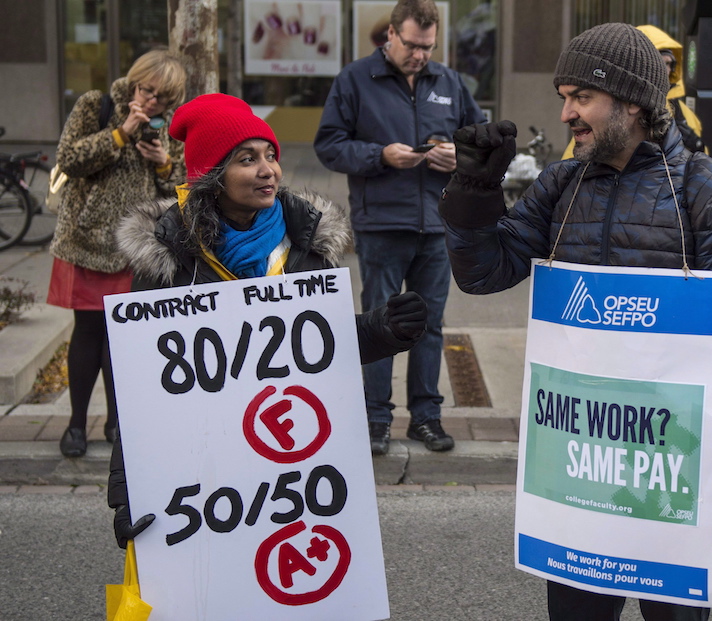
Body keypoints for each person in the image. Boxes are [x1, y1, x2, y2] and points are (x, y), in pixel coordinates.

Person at [438, 23, 712, 621]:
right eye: (562, 96)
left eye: (580, 97)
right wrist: (474, 188)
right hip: (579, 474)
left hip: (670, 472)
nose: (565, 112)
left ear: (634, 103)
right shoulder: (562, 185)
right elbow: (483, 273)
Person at [107, 93, 428, 548]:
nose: (268, 170)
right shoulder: (167, 259)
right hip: (205, 472)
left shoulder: (305, 245)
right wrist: (126, 495)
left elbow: (318, 349)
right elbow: (141, 390)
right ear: (212, 177)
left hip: (286, 466)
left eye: (270, 155)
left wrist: (384, 329)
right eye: (247, 159)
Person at [314, 0, 486, 455]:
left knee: (430, 325)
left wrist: (459, 156)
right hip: (382, 224)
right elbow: (329, 146)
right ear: (391, 34)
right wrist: (380, 156)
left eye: (428, 47)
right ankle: (375, 419)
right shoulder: (355, 79)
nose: (420, 56)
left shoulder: (448, 82)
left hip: (437, 224)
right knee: (380, 324)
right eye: (412, 45)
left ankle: (426, 418)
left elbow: (479, 140)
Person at [48, 49, 187, 458]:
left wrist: (163, 164)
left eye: (160, 97)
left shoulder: (171, 127)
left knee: (122, 340)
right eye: (145, 90)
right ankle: (76, 425)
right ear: (133, 81)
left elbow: (181, 190)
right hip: (88, 241)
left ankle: (115, 421)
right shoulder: (97, 105)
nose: (149, 102)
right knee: (88, 335)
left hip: (136, 248)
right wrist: (120, 134)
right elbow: (68, 160)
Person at [561, 24, 706, 160]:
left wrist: (695, 148)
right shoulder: (559, 178)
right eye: (659, 62)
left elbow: (700, 167)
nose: (665, 70)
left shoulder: (684, 113)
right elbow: (573, 166)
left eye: (668, 63)